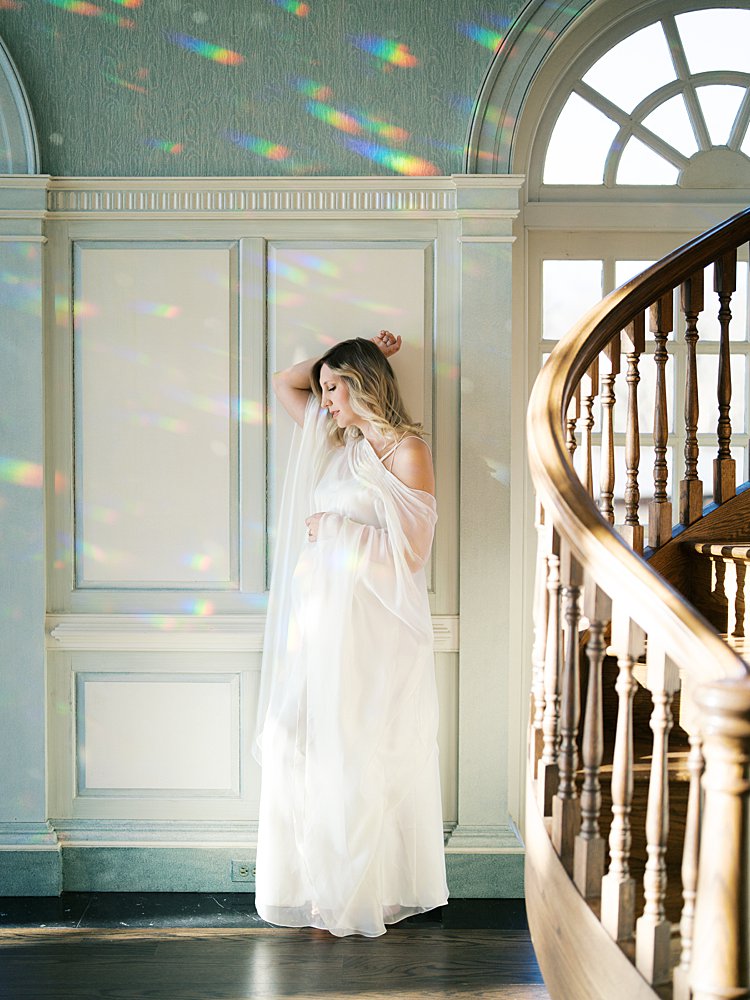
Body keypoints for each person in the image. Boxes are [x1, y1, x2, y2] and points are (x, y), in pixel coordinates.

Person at [254, 330, 448, 938]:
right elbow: (283, 381)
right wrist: (341, 357)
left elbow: (411, 556)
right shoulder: (339, 442)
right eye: (326, 387)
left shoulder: (406, 451)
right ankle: (317, 887)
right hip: (317, 623)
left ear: (363, 384)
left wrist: (337, 527)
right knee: (298, 740)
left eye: (335, 386)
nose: (324, 397)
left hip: (368, 627)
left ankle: (355, 893)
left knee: (357, 748)